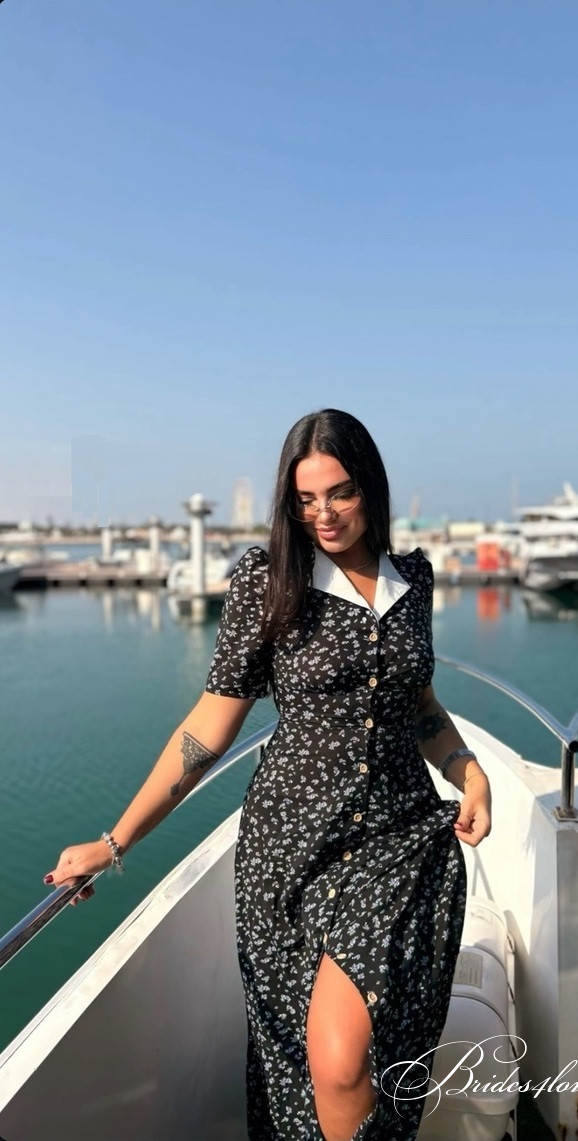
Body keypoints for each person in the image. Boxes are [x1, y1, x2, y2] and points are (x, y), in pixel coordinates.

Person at [45, 408, 491, 1141]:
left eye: (339, 492)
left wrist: (469, 773)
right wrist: (114, 841)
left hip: (398, 843)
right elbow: (206, 730)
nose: (323, 514)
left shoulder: (414, 578)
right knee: (308, 1064)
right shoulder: (269, 579)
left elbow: (421, 707)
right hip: (289, 851)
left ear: (371, 487)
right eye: (305, 499)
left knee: (344, 1062)